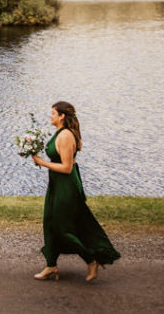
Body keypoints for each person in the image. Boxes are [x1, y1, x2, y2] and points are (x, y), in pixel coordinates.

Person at [29, 101, 121, 282]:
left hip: (66, 186)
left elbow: (67, 168)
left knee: (62, 228)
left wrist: (42, 163)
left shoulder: (65, 136)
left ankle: (91, 259)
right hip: (56, 185)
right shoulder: (59, 133)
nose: (50, 116)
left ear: (62, 116)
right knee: (49, 222)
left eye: (53, 113)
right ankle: (51, 265)